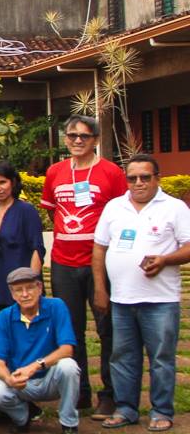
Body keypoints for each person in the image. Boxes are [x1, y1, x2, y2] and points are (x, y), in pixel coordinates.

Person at [92, 154, 190, 432]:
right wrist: (100, 288)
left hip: (161, 300)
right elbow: (99, 248)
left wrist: (164, 260)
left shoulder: (174, 207)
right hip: (122, 299)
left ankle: (161, 411)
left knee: (160, 358)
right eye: (132, 178)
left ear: (157, 178)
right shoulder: (114, 207)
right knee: (122, 357)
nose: (138, 183)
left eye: (145, 177)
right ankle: (126, 409)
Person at [41, 114, 127, 418]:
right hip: (63, 262)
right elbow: (55, 213)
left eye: (84, 136)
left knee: (108, 329)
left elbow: (120, 215)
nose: (78, 141)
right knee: (70, 331)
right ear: (66, 139)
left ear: (95, 140)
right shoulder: (55, 172)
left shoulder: (111, 172)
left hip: (100, 264)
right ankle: (80, 392)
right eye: (72, 135)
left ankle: (110, 394)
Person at [0, 267, 80, 434]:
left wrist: (36, 366)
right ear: (12, 294)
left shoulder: (56, 306)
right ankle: (23, 418)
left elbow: (67, 349)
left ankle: (69, 423)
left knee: (69, 366)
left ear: (39, 288)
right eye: (18, 290)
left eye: (30, 288)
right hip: (22, 382)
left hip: (51, 377)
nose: (25, 294)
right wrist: (8, 379)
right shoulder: (5, 316)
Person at [0, 160, 45, 312]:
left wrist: (31, 284)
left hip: (22, 285)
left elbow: (37, 248)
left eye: (2, 182)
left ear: (13, 182)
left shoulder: (26, 211)